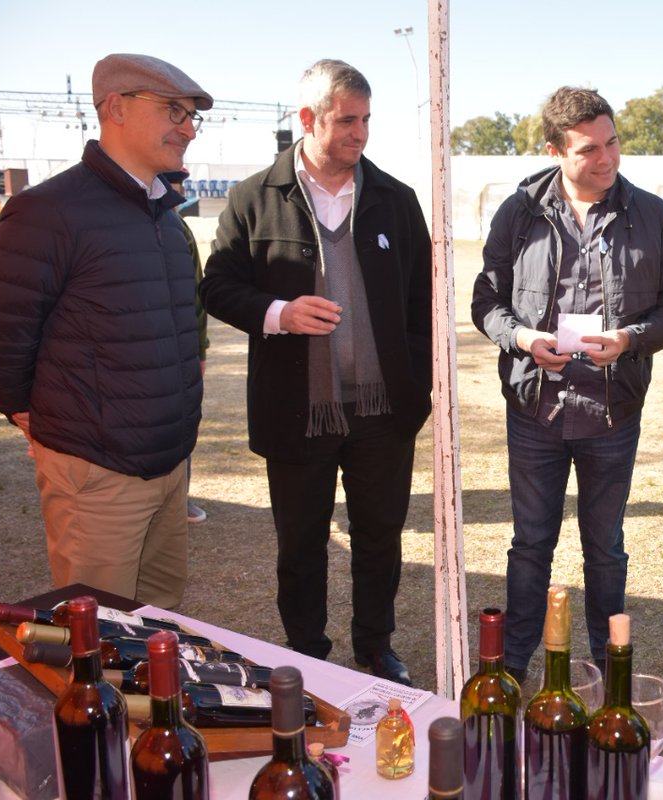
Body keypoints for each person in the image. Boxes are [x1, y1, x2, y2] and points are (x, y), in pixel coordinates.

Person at [200, 60, 431, 686]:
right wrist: (278, 312)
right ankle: (305, 649)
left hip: (384, 414)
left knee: (379, 537)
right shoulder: (254, 198)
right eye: (347, 120)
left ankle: (376, 648)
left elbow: (421, 304)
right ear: (307, 120)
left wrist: (415, 385)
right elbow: (216, 286)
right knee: (300, 542)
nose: (361, 133)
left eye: (366, 119)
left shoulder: (396, 200)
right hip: (296, 409)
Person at [471, 86, 663, 681]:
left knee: (606, 549)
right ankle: (510, 668)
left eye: (613, 142)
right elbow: (485, 302)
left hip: (612, 413)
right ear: (555, 150)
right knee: (529, 547)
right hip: (535, 410)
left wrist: (630, 338)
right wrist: (522, 340)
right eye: (590, 149)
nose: (607, 158)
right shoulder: (518, 213)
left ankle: (606, 669)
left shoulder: (651, 213)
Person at [0, 54, 210, 607]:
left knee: (161, 630)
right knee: (101, 641)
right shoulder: (48, 211)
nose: (188, 128)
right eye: (173, 111)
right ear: (116, 108)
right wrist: (28, 413)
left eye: (192, 116)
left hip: (167, 467)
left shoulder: (165, 213)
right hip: (96, 474)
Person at [167, 170, 209, 525]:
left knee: (183, 422)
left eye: (179, 182)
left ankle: (181, 498)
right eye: (172, 182)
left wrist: (201, 350)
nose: (179, 189)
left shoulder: (179, 228)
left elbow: (197, 294)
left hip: (180, 353)